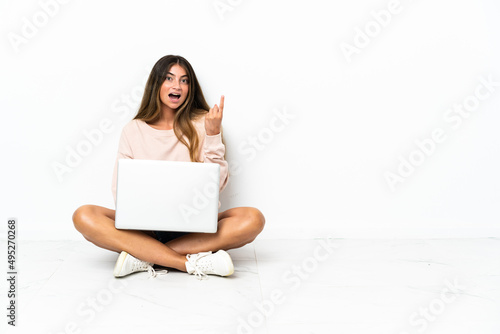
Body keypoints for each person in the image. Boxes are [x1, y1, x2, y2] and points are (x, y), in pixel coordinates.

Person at [72, 55, 265, 279]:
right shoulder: (133, 130)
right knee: (84, 215)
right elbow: (120, 190)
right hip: (144, 228)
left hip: (194, 228)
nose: (177, 86)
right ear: (157, 84)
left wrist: (213, 135)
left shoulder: (204, 123)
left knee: (253, 218)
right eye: (169, 78)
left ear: (190, 88)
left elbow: (217, 185)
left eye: (184, 81)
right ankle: (187, 263)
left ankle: (143, 255)